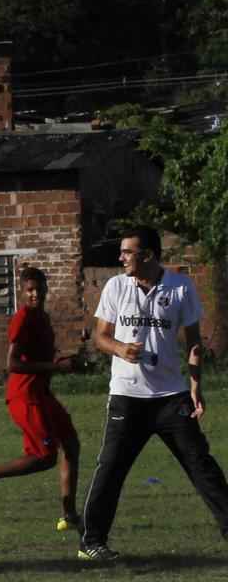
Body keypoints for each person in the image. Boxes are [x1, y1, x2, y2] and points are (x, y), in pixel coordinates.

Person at [79, 226, 228, 561]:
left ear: (148, 255)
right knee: (111, 466)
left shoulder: (180, 287)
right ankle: (91, 542)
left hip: (171, 396)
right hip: (127, 396)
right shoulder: (116, 286)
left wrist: (195, 387)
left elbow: (193, 343)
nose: (121, 258)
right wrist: (120, 348)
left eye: (127, 252)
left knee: (201, 464)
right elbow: (100, 336)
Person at [0, 267, 82, 533]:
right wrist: (55, 368)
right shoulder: (22, 319)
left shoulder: (43, 317)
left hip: (42, 393)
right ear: (22, 292)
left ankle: (69, 515)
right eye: (29, 290)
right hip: (25, 396)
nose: (35, 294)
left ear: (46, 289)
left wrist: (62, 361)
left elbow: (39, 356)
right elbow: (13, 364)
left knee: (71, 445)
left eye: (39, 288)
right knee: (45, 457)